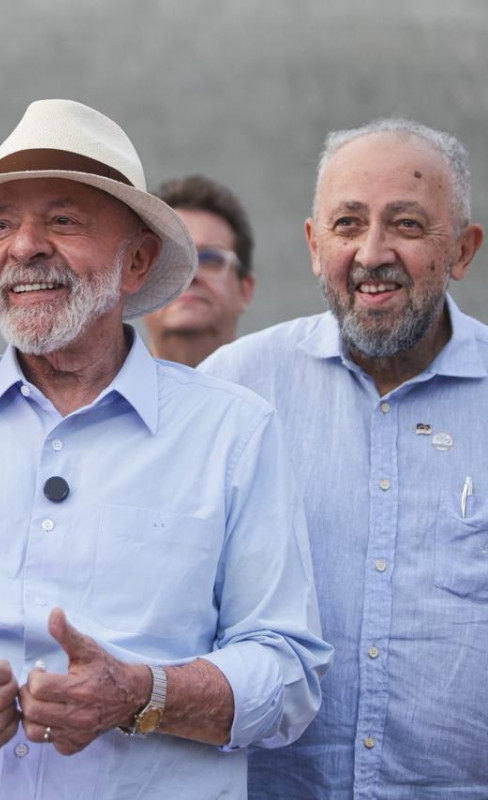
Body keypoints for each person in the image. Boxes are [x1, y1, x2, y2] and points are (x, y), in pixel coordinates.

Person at [0, 99, 331, 799]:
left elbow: (290, 673)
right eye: (1, 225)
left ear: (138, 260)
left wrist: (143, 694)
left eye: (62, 220)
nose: (24, 247)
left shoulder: (234, 432)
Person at [200, 118, 486, 798]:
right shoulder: (231, 390)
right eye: (349, 223)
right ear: (312, 243)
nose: (372, 252)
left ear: (465, 250)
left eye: (408, 226)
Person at [142, 174, 255, 366]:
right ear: (137, 282)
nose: (190, 276)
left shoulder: (276, 392)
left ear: (244, 290)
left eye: (210, 258)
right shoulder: (96, 393)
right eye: (170, 258)